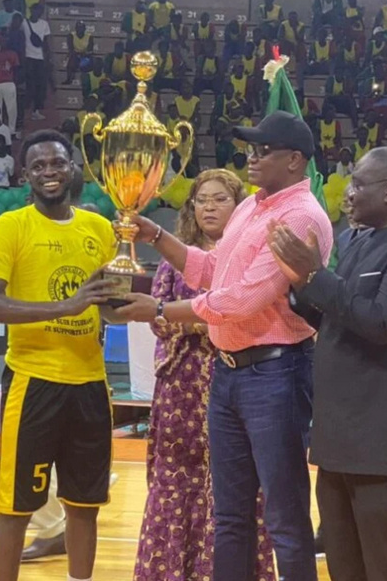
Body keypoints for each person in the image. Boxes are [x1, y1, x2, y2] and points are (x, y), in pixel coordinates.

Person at [117, 111, 334, 581]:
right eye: (251, 149)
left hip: (276, 372)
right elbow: (211, 271)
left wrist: (158, 313)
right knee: (230, 515)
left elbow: (243, 299)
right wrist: (156, 235)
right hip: (231, 371)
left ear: (295, 160)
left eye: (263, 150)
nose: (251, 157)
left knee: (284, 518)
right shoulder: (254, 206)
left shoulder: (299, 216)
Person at [268, 146, 387, 581]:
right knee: (344, 568)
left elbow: (381, 322)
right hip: (341, 440)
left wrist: (316, 276)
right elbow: (334, 317)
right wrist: (298, 287)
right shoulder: (355, 239)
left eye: (358, 184)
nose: (348, 194)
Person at [0, 130, 120, 581]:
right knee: (16, 508)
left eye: (57, 163)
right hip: (33, 381)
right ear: (25, 176)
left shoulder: (99, 228)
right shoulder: (11, 226)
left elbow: (111, 303)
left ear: (73, 166)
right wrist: (66, 306)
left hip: (91, 384)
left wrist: (156, 306)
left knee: (84, 506)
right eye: (39, 166)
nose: (49, 172)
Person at [133, 169, 276, 581]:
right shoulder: (178, 258)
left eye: (220, 199)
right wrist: (209, 320)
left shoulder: (252, 256)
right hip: (181, 388)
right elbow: (158, 318)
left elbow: (250, 310)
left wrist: (194, 318)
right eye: (202, 199)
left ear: (241, 206)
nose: (209, 207)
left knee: (236, 483)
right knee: (176, 479)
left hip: (236, 381)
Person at [22, 3, 51, 121]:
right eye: (36, 10)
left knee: (40, 86)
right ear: (31, 10)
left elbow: (46, 43)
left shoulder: (44, 24)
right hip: (28, 57)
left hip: (40, 58)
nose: (38, 12)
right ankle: (26, 110)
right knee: (30, 85)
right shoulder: (24, 23)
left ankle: (36, 110)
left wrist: (47, 58)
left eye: (41, 10)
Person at [0, 29, 21, 135]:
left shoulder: (13, 54)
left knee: (11, 108)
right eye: (1, 38)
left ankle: (11, 130)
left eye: (5, 38)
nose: (3, 40)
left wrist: (14, 82)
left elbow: (16, 69)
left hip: (9, 82)